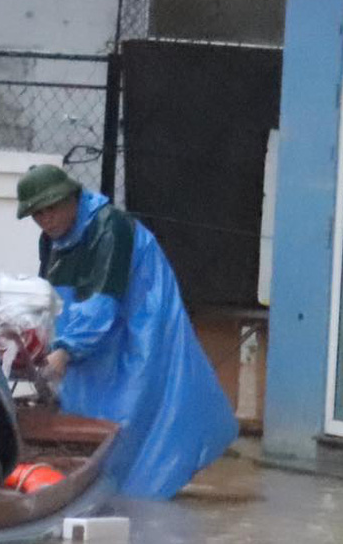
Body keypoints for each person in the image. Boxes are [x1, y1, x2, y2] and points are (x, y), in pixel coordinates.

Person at [16, 164, 237, 498]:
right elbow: (51, 297)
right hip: (89, 333)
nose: (46, 219)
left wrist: (66, 349)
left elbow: (103, 301)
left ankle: (138, 493)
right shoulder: (51, 241)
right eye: (37, 214)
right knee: (84, 404)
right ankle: (101, 488)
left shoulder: (111, 227)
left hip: (138, 321)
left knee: (137, 401)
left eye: (51, 209)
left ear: (73, 198)